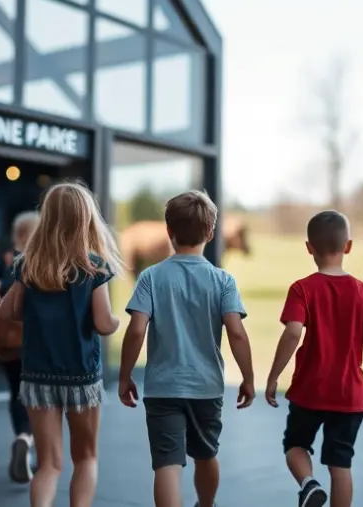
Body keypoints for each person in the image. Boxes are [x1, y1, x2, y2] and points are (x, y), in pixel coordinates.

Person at [118, 190, 255, 507]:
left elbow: (137, 329)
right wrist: (248, 377)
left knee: (167, 464)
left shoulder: (151, 277)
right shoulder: (223, 280)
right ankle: (206, 504)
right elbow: (236, 332)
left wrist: (125, 376)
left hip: (162, 387)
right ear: (210, 233)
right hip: (206, 388)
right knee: (206, 454)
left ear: (168, 231)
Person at [0, 182, 122, 507]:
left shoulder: (29, 265)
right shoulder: (94, 267)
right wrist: (118, 321)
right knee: (86, 459)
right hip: (81, 377)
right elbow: (103, 324)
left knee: (49, 465)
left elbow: (7, 311)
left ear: (46, 218)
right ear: (86, 219)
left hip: (38, 377)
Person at [265, 210, 363, 507]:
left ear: (309, 248)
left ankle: (308, 483)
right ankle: (318, 487)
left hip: (310, 390)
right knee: (340, 464)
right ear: (349, 246)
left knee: (295, 445)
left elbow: (292, 333)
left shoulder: (302, 288)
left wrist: (273, 376)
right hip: (349, 393)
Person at [0, 210, 41, 484]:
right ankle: (38, 446)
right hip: (36, 342)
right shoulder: (42, 261)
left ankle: (22, 435)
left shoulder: (5, 260)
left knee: (16, 392)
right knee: (40, 397)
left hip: (7, 341)